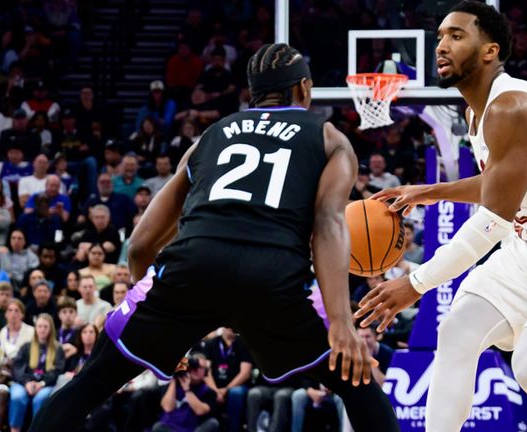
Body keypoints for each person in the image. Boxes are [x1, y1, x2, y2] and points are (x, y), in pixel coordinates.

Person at [31, 42, 399, 432]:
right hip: (272, 275)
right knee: (357, 383)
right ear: (304, 89)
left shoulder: (211, 135)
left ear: (252, 94)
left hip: (193, 267)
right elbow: (329, 223)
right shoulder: (329, 138)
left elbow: (140, 244)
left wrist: (161, 326)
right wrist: (341, 322)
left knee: (92, 381)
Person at [354, 3, 527, 431]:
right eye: (440, 37)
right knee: (457, 333)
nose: (441, 46)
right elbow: (504, 183)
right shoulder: (478, 111)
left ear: (489, 51)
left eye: (456, 36)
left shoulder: (511, 108)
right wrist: (430, 191)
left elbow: (492, 222)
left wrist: (414, 284)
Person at [9, 314, 64, 432]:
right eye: (39, 326)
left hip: (46, 384)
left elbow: (57, 371)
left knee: (40, 399)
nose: (42, 329)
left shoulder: (57, 348)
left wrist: (42, 383)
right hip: (24, 382)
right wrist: (27, 382)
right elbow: (18, 368)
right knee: (17, 397)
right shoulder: (26, 347)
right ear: (35, 328)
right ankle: (14, 429)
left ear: (51, 329)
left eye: (45, 326)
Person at [202, 328, 252, 432]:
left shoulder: (243, 343)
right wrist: (216, 391)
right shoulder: (212, 343)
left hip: (236, 386)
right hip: (215, 385)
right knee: (204, 390)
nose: (229, 329)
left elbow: (245, 373)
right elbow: (205, 371)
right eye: (226, 326)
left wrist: (226, 389)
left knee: (235, 393)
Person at [154, 354, 219, 432]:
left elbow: (200, 411)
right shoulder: (172, 385)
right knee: (157, 426)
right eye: (194, 366)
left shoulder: (208, 391)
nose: (197, 369)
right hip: (171, 428)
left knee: (213, 423)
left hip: (193, 429)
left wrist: (187, 390)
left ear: (206, 372)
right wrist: (175, 377)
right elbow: (168, 408)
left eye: (201, 367)